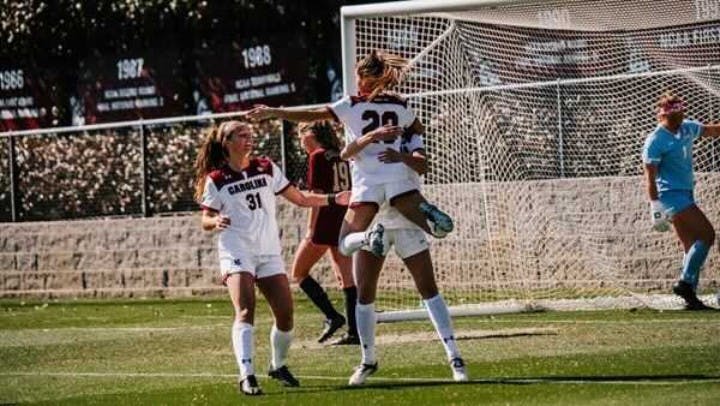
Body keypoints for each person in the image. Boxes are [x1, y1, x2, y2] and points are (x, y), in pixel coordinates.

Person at [247, 50, 454, 259]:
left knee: (344, 245)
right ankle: (430, 215)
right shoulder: (399, 104)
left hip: (368, 182)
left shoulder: (353, 104)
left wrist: (275, 111)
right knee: (437, 230)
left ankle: (369, 238)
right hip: (397, 177)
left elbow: (312, 115)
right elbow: (418, 129)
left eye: (357, 78)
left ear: (365, 78)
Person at [193, 120, 350, 396]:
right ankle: (247, 375)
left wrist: (333, 199)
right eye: (241, 135)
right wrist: (215, 220)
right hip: (237, 251)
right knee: (245, 309)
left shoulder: (266, 167)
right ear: (226, 143)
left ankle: (278, 365)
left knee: (286, 315)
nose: (248, 139)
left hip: (267, 252)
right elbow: (205, 219)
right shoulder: (216, 179)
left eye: (249, 134)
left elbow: (300, 199)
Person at [343, 125, 468, 385]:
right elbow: (346, 153)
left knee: (428, 288)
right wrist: (370, 137)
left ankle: (454, 356)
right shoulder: (357, 128)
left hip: (405, 221)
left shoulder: (408, 134)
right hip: (373, 222)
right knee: (364, 292)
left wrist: (401, 157)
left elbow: (423, 165)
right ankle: (368, 360)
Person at [642, 93, 720, 310]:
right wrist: (655, 205)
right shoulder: (656, 140)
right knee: (707, 234)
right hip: (670, 196)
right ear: (663, 115)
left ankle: (690, 297)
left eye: (680, 112)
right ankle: (685, 282)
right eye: (674, 114)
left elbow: (711, 130)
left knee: (691, 244)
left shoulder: (687, 127)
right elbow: (649, 177)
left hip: (686, 192)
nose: (679, 117)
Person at [292, 121, 359, 345]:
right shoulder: (342, 154)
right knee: (346, 278)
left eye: (303, 134)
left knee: (299, 272)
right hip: (344, 219)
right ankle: (354, 332)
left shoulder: (317, 156)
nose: (301, 140)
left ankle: (332, 316)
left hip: (326, 220)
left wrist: (312, 228)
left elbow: (317, 196)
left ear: (313, 134)